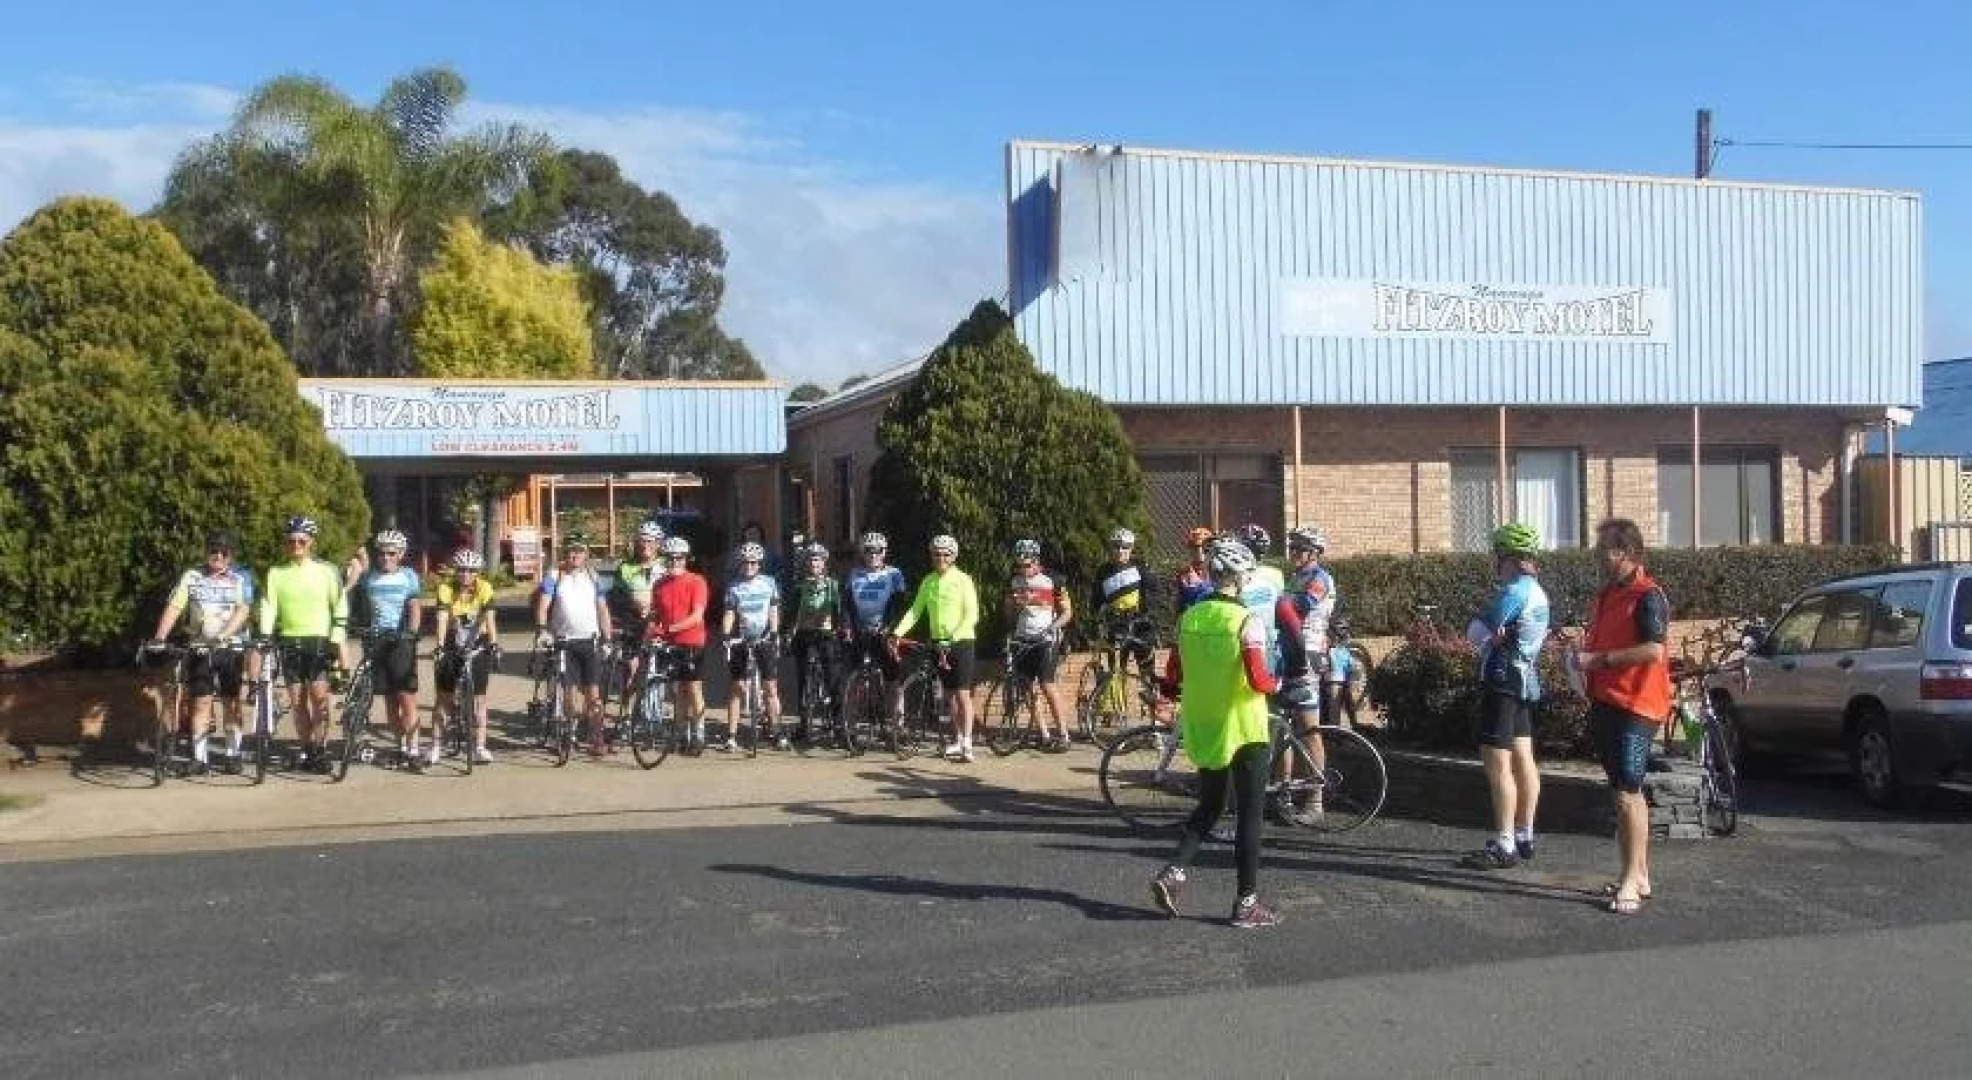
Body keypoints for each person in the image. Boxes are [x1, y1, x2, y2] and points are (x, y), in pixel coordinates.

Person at [1149, 537, 1283, 929]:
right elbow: (1259, 680)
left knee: (1209, 806)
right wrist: (1280, 684)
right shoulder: (1247, 621)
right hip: (1244, 728)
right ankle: (1246, 903)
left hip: (1204, 724)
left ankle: (1174, 871)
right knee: (1250, 817)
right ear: (1239, 579)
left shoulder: (1189, 617)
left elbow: (1173, 676)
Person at [1574, 518, 1673, 915]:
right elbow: (1600, 640)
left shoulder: (1649, 596)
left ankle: (1632, 879)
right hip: (1605, 699)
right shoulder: (1605, 596)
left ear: (1628, 553)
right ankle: (1638, 872)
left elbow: (1654, 650)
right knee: (1621, 791)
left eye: (1606, 549)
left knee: (1629, 791)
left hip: (1637, 704)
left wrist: (1600, 659)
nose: (1600, 556)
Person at [1462, 523, 1554, 871]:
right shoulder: (1539, 592)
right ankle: (1524, 834)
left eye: (1498, 556)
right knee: (1524, 758)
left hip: (1501, 682)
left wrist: (1487, 633)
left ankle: (1504, 843)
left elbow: (1474, 632)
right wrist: (1492, 635)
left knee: (1497, 764)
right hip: (1525, 682)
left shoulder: (1514, 590)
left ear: (1509, 558)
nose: (1495, 563)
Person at [147, 529, 255, 772]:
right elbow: (175, 607)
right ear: (207, 552)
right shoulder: (192, 576)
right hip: (199, 648)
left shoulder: (240, 578)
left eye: (223, 552)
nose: (218, 556)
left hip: (230, 648)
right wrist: (159, 637)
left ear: (231, 556)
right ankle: (199, 757)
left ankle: (233, 754)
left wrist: (223, 635)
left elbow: (243, 610)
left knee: (231, 702)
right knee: (200, 702)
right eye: (213, 551)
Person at [258, 516, 348, 774]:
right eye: (291, 541)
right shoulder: (276, 573)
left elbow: (339, 603)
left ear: (311, 543)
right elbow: (268, 605)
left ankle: (321, 749)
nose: (296, 545)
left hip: (319, 640)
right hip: (289, 639)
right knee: (297, 701)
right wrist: (265, 634)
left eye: (302, 541)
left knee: (320, 698)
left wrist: (337, 635)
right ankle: (307, 749)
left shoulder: (327, 570)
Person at [891, 534, 981, 762]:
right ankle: (957, 739)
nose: (941, 558)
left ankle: (968, 743)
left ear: (954, 557)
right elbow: (915, 611)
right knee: (949, 695)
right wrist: (897, 632)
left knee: (962, 694)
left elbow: (972, 615)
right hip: (937, 643)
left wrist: (953, 638)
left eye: (946, 554)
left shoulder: (963, 580)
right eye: (937, 554)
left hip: (961, 642)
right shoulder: (928, 581)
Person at [532, 533, 614, 757]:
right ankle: (570, 733)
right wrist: (542, 629)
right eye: (571, 551)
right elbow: (543, 604)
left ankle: (597, 738)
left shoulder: (593, 576)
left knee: (594, 693)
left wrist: (608, 639)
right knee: (570, 692)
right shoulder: (554, 575)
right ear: (565, 553)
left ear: (586, 554)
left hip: (590, 640)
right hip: (564, 642)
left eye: (579, 551)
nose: (575, 555)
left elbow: (603, 609)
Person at [348, 529, 424, 765]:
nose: (386, 558)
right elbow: (358, 606)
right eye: (381, 553)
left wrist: (411, 633)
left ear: (401, 554)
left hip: (401, 641)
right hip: (375, 642)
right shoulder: (369, 577)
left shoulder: (408, 576)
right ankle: (400, 745)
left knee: (406, 697)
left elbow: (414, 607)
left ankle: (413, 749)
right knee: (390, 700)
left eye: (391, 553)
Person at [1003, 538, 1075, 751]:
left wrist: (1054, 627)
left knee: (1047, 685)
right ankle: (1043, 734)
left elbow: (1068, 612)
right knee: (1026, 688)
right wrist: (1012, 606)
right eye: (1019, 565)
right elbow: (1009, 614)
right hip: (1022, 638)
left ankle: (1063, 734)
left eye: (1027, 565)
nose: (1023, 569)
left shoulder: (1053, 580)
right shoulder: (1014, 581)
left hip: (1046, 639)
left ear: (1036, 561)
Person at [430, 548, 499, 766]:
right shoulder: (446, 588)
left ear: (477, 572)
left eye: (471, 571)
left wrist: (494, 643)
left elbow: (490, 618)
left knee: (480, 700)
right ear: (455, 571)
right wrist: (440, 646)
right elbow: (442, 619)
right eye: (461, 570)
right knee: (443, 699)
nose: (466, 575)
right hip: (452, 645)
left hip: (477, 646)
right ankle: (436, 746)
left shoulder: (484, 588)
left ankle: (479, 746)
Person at [646, 534, 711, 752]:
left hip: (692, 640)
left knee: (693, 687)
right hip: (668, 643)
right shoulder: (660, 584)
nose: (675, 562)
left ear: (686, 559)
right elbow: (655, 614)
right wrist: (651, 630)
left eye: (679, 558)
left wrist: (668, 629)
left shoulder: (697, 581)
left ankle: (699, 734)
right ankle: (681, 733)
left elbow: (696, 616)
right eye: (671, 558)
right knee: (676, 689)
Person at [722, 540, 785, 750]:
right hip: (741, 639)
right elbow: (729, 613)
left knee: (770, 688)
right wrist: (725, 635)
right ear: (740, 564)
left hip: (764, 638)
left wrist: (775, 632)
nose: (749, 566)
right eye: (746, 563)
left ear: (759, 564)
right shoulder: (734, 586)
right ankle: (731, 735)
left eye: (754, 563)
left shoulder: (769, 583)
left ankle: (776, 731)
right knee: (737, 688)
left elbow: (773, 610)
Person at [845, 532, 910, 722]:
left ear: (884, 552)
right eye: (868, 551)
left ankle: (897, 724)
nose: (873, 555)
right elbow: (847, 604)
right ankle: (850, 724)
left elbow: (899, 605)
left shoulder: (893, 574)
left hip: (885, 632)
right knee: (853, 677)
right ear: (862, 553)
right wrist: (848, 625)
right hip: (861, 631)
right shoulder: (854, 574)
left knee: (893, 679)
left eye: (878, 551)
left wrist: (890, 628)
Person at [786, 541, 843, 743]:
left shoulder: (832, 585)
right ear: (806, 563)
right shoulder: (800, 586)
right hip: (804, 634)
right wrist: (788, 632)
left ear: (824, 562)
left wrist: (839, 629)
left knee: (834, 679)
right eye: (811, 559)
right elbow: (791, 613)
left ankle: (838, 726)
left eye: (818, 559)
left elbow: (838, 610)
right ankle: (803, 725)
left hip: (827, 634)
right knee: (802, 681)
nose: (814, 563)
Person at [1089, 526, 1158, 689]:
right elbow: (1096, 600)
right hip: (1116, 626)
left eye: (1125, 547)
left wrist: (1148, 614)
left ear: (1131, 548)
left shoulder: (1141, 567)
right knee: (1116, 672)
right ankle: (1118, 711)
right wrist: (1097, 622)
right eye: (1116, 546)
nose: (1121, 550)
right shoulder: (1103, 572)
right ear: (1110, 548)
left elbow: (1154, 593)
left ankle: (1152, 707)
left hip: (1141, 625)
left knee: (1146, 672)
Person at [1324, 616, 1361, 730]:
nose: (1346, 634)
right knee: (1334, 711)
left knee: (1349, 705)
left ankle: (1354, 727)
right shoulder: (1330, 648)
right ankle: (1333, 735)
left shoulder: (1343, 649)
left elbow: (1351, 666)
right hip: (1334, 681)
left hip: (1342, 679)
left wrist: (1354, 671)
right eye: (1343, 630)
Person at [1174, 527, 1215, 612]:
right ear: (1190, 549)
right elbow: (1180, 605)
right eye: (1195, 548)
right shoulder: (1184, 574)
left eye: (1204, 548)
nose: (1200, 552)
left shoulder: (1219, 571)